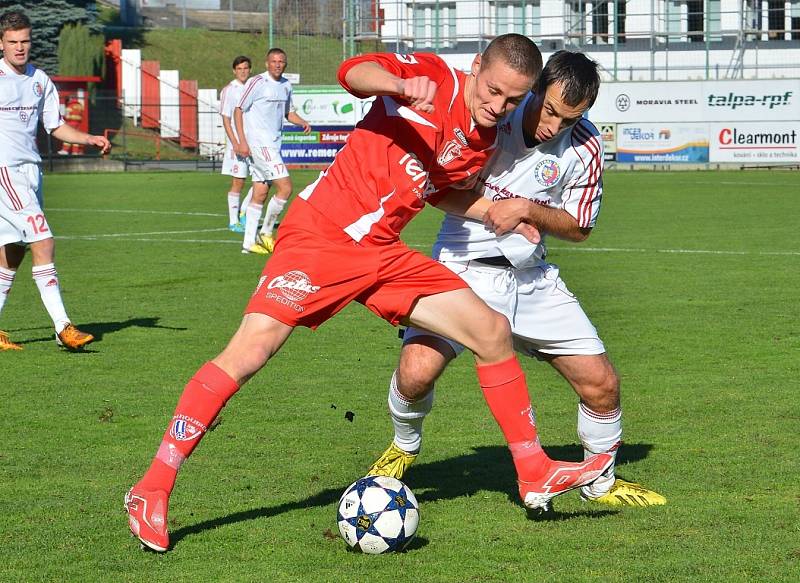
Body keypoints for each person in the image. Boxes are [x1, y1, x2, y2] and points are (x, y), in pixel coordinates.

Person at [125, 35, 614, 553]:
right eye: (493, 91)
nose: (499, 107)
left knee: (491, 332)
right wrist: (401, 85)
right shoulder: (434, 78)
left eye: (513, 101)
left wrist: (496, 213)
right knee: (249, 353)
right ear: (476, 68)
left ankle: (533, 470)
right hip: (322, 237)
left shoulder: (484, 140)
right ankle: (152, 488)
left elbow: (441, 190)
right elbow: (352, 73)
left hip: (382, 251)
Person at [367, 51, 666, 508]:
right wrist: (490, 209)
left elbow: (580, 226)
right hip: (462, 265)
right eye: (549, 110)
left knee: (601, 383)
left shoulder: (584, 145)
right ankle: (403, 447)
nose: (553, 126)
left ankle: (600, 482)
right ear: (537, 88)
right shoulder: (491, 115)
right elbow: (436, 187)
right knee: (415, 373)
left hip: (531, 278)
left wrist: (529, 209)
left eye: (568, 118)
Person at [0, 10, 111, 352]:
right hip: (5, 171)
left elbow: (56, 127)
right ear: (1, 43)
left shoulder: (39, 80)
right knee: (44, 241)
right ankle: (63, 327)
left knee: (12, 254)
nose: (20, 48)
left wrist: (88, 138)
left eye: (25, 41)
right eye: (12, 42)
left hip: (31, 173)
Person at [233, 48, 311, 254]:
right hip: (259, 144)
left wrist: (301, 121)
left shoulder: (286, 85)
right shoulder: (257, 82)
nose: (277, 64)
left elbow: (288, 113)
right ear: (266, 63)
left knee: (260, 191)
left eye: (281, 61)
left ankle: (248, 243)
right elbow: (238, 110)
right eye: (273, 61)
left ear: (285, 64)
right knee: (285, 187)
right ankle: (266, 232)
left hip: (273, 144)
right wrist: (242, 141)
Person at [219, 55, 253, 233]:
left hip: (255, 142)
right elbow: (226, 119)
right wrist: (235, 143)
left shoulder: (254, 86)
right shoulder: (229, 90)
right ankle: (234, 221)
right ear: (234, 71)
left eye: (246, 68)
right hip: (238, 144)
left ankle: (244, 211)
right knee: (238, 182)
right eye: (239, 69)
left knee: (264, 179)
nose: (243, 72)